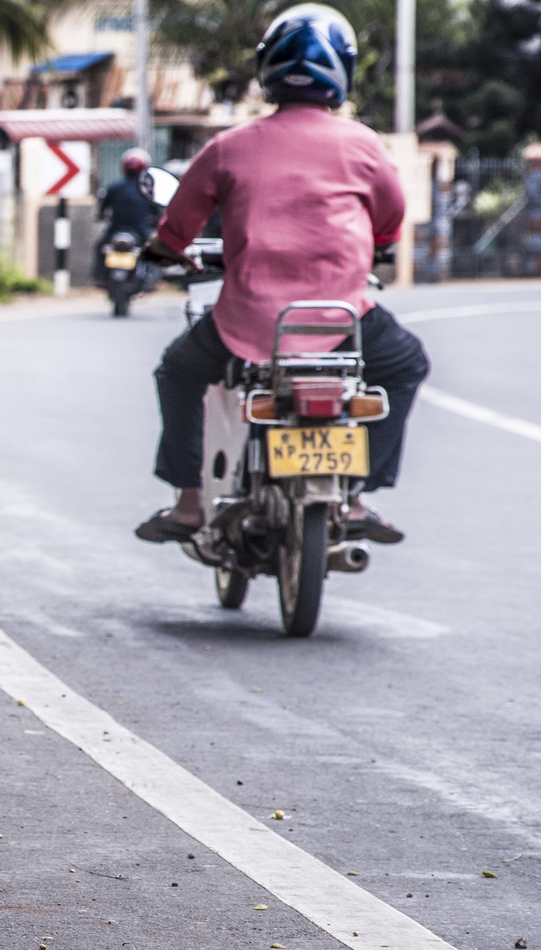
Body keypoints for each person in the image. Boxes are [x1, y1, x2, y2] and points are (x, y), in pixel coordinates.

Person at [133, 4, 430, 546]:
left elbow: (180, 221)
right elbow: (390, 217)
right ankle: (356, 496)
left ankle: (189, 502)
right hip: (342, 321)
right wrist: (378, 247)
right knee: (406, 363)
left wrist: (165, 250)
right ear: (343, 70)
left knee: (178, 372)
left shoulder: (229, 147)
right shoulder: (364, 144)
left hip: (249, 324)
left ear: (266, 68)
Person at [93, 148, 162, 283]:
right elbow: (157, 212)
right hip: (140, 231)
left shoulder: (114, 187)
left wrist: (100, 215)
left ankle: (99, 275)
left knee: (100, 247)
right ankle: (151, 277)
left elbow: (102, 208)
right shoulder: (148, 190)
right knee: (153, 250)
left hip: (115, 229)